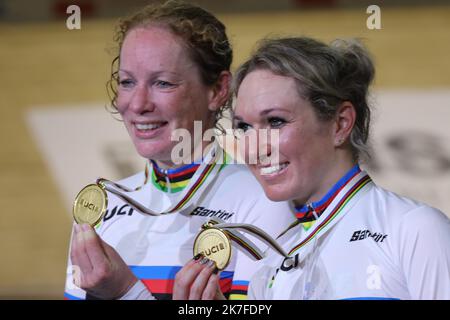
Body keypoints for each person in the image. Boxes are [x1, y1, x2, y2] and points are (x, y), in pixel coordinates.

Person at [174, 36, 450, 300]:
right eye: (244, 127)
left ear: (340, 123)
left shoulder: (415, 230)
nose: (254, 147)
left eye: (276, 122)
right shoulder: (268, 259)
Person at [63, 1, 295, 300]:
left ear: (218, 90)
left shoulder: (265, 202)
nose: (138, 104)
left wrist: (126, 292)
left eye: (162, 83)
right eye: (127, 82)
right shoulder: (101, 207)